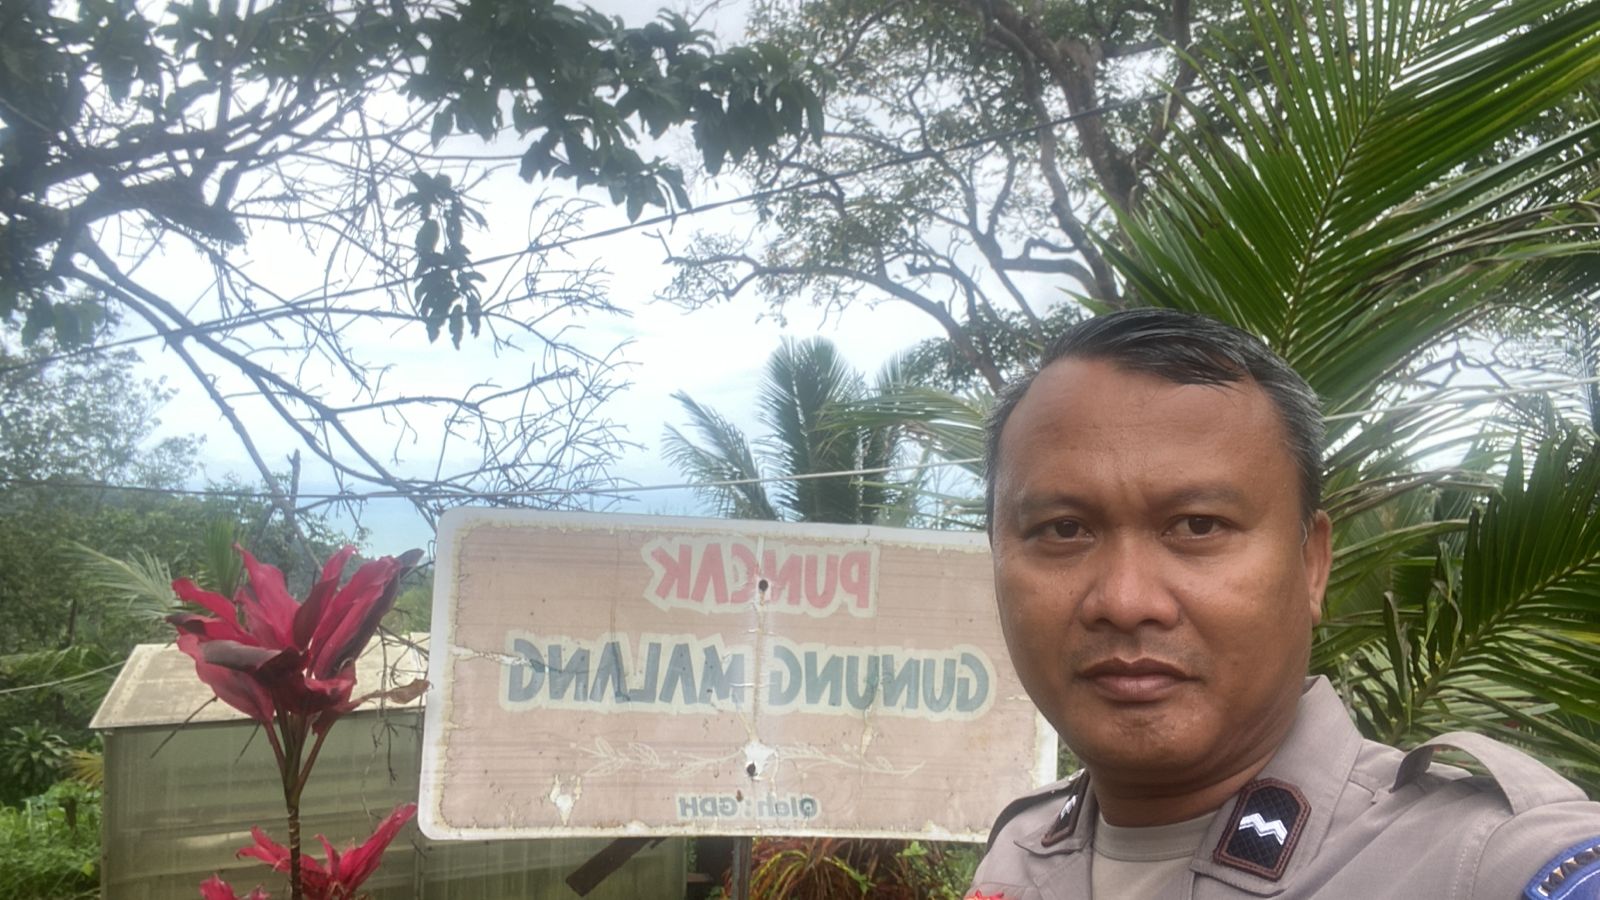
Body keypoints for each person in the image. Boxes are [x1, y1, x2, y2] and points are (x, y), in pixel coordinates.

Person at [968, 309, 1600, 900]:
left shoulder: (1486, 864)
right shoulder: (1018, 853)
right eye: (1063, 530)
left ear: (1311, 565)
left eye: (1198, 526)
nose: (1126, 602)